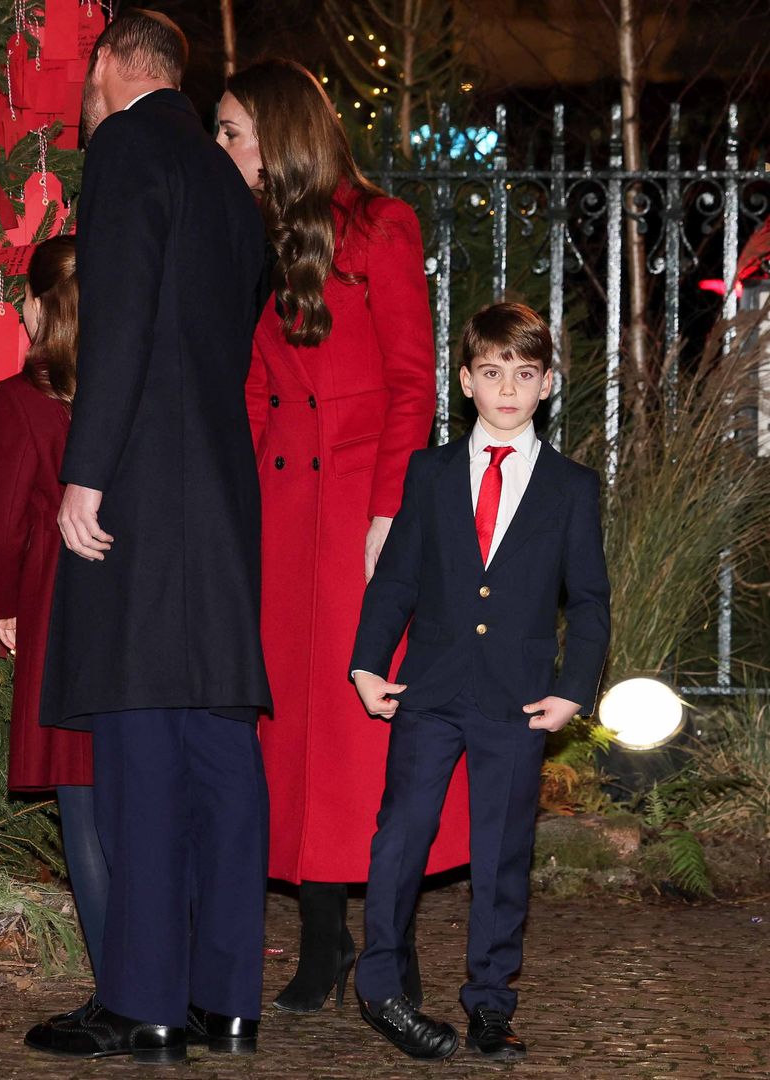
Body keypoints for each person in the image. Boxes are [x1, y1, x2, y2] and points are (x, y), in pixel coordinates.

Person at [23, 10, 270, 1065]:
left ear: (111, 66)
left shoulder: (125, 145)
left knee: (137, 745)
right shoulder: (227, 178)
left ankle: (144, 1001)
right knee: (219, 744)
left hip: (140, 492)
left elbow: (116, 318)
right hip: (219, 492)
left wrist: (87, 472)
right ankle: (226, 999)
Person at [216, 57, 470, 1014]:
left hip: (365, 509)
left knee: (367, 730)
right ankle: (322, 939)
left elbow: (414, 381)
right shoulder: (252, 235)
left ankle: (382, 945)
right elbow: (247, 386)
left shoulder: (381, 224)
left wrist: (391, 517)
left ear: (282, 132)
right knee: (295, 733)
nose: (225, 147)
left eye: (236, 130)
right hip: (282, 517)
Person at [350, 303, 611, 1061]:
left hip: (517, 699)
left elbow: (590, 598)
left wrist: (574, 687)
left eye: (524, 375)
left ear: (546, 385)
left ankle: (491, 1002)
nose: (507, 389)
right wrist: (367, 663)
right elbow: (396, 579)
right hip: (428, 689)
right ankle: (383, 986)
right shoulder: (428, 473)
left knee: (502, 853)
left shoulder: (571, 487)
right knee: (400, 836)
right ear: (466, 381)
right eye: (492, 373)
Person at [0, 237, 108, 978]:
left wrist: (7, 603)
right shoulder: (134, 386)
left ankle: (114, 980)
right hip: (132, 598)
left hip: (58, 598)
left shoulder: (20, 398)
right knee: (133, 792)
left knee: (80, 797)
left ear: (34, 306)